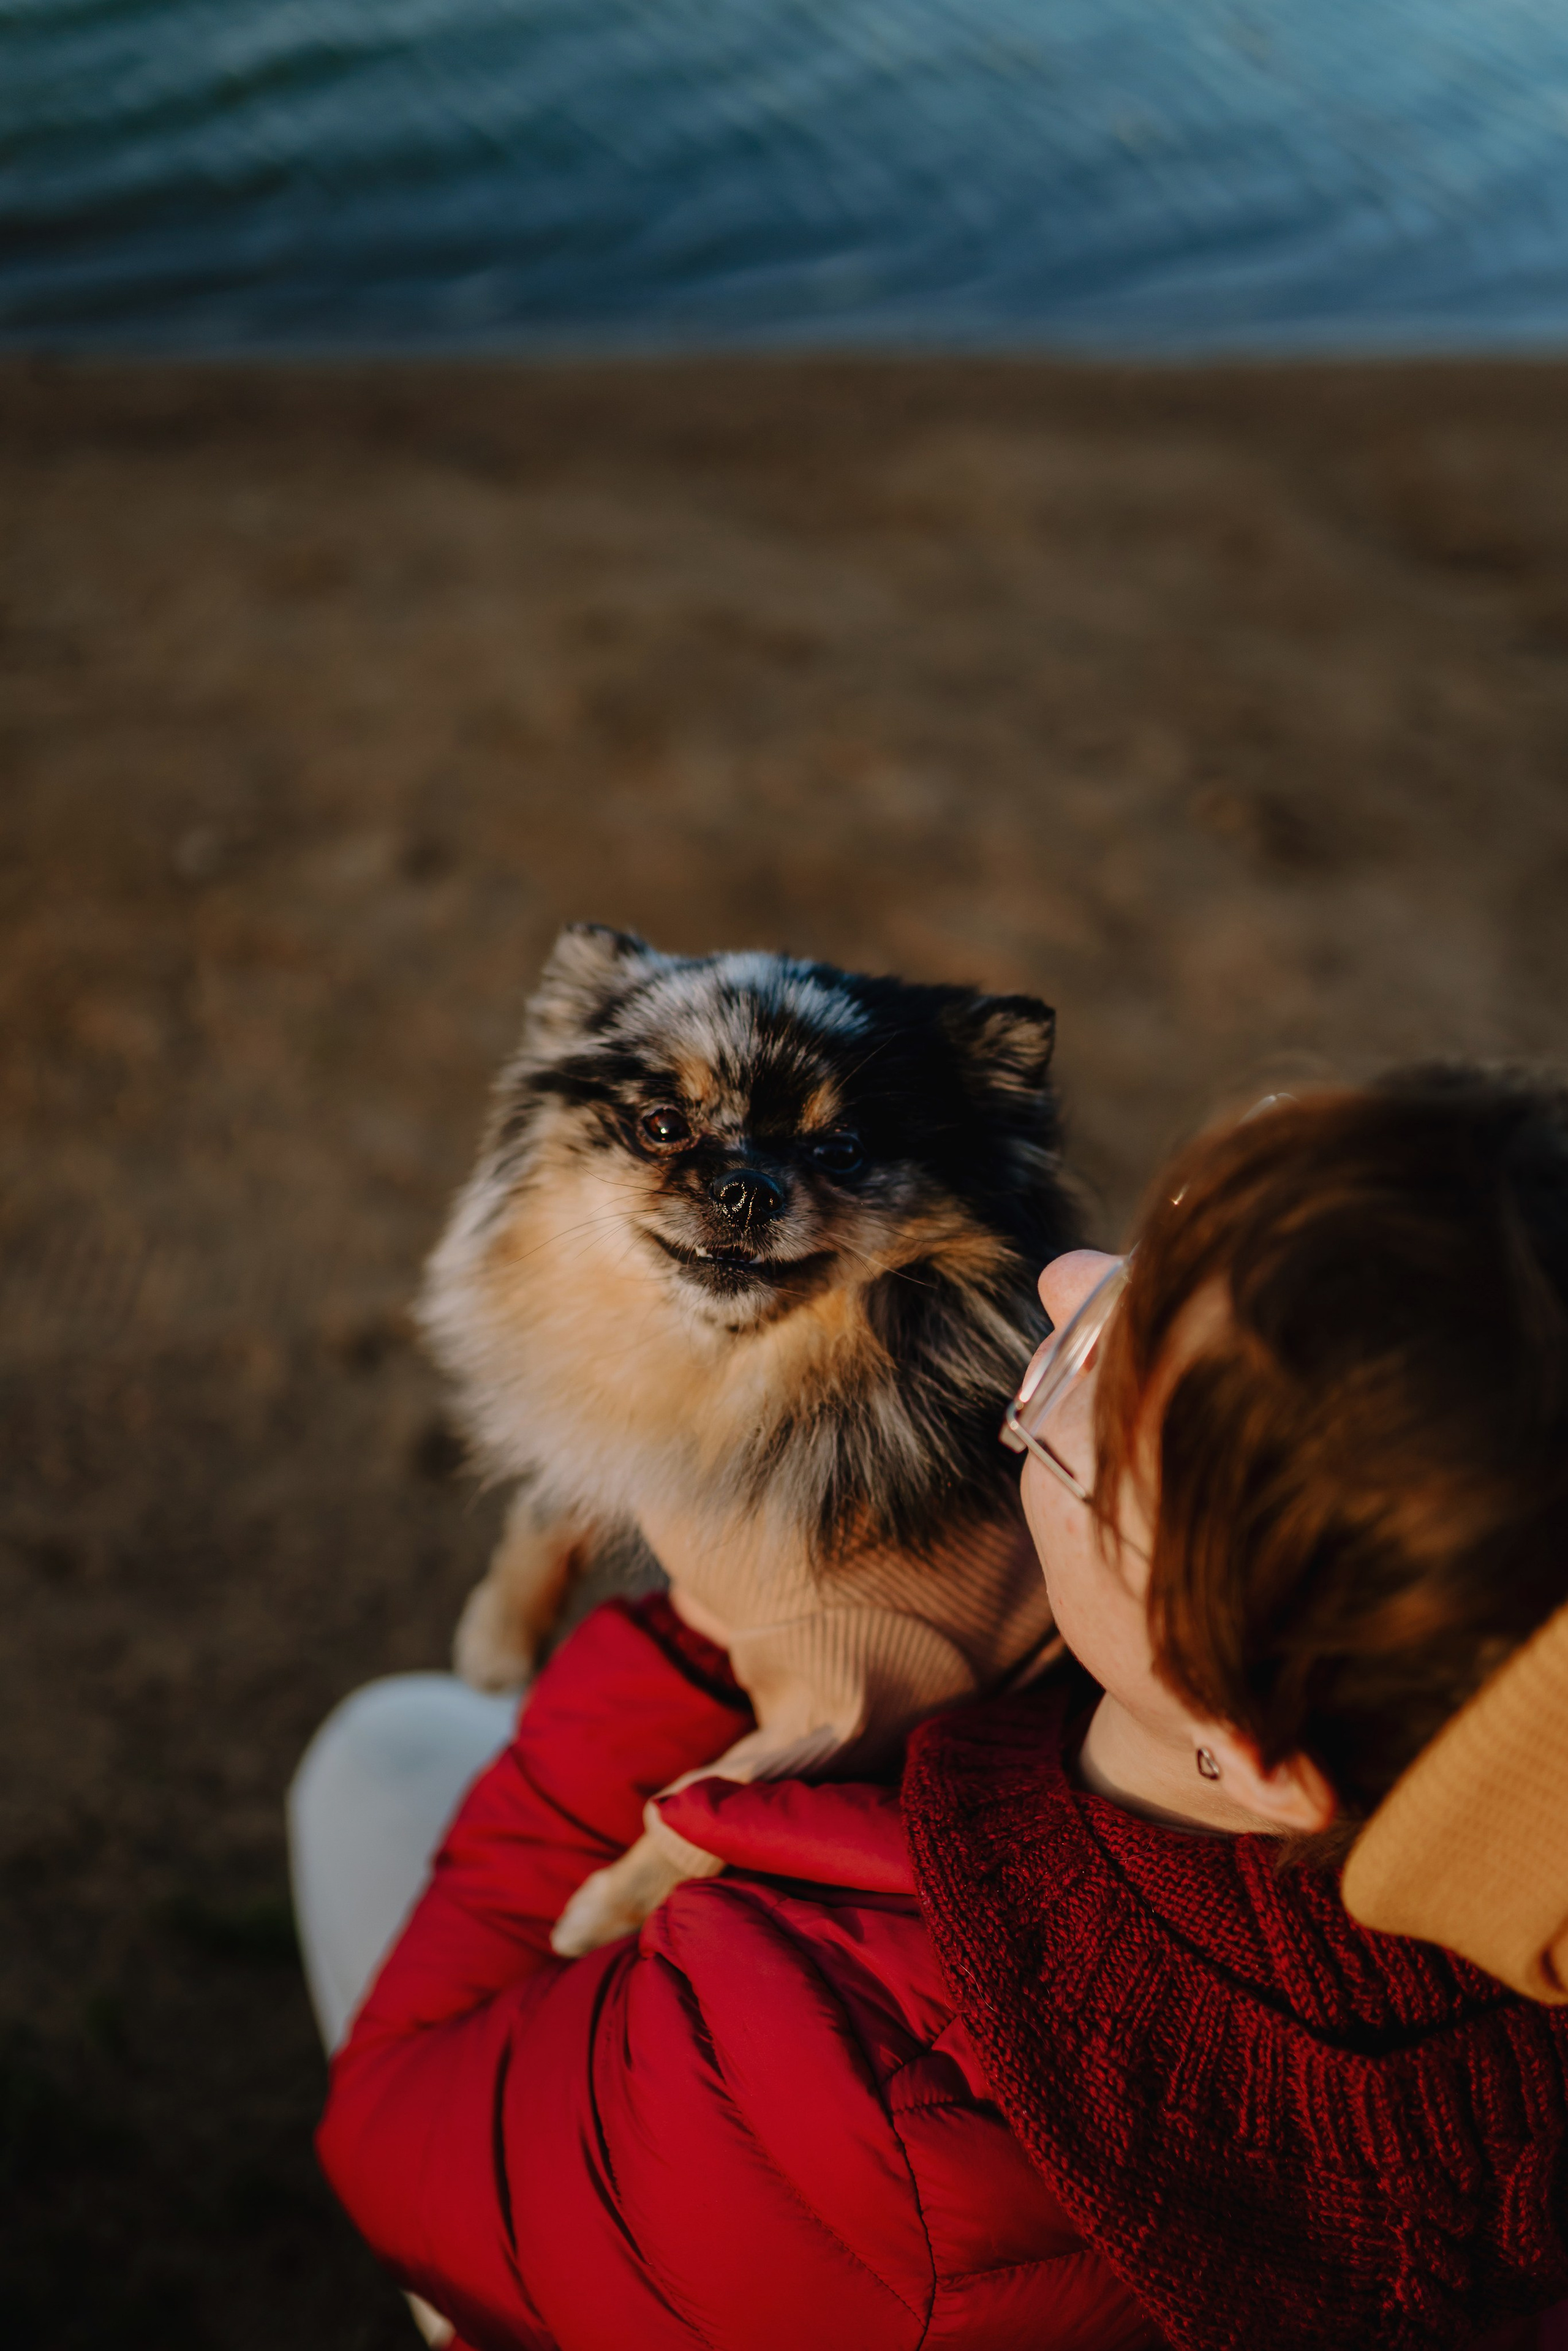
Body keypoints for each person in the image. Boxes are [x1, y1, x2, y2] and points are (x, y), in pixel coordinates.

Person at [295, 1065, 1568, 2351]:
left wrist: (717, 1626)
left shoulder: (859, 2095)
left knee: (383, 1754)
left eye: (1110, 1373)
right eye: (1161, 1243)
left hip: (620, 2170)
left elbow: (393, 2126)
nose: (1063, 1279)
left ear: (1256, 1749)